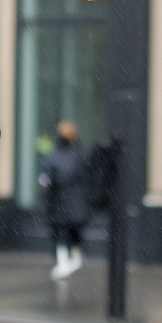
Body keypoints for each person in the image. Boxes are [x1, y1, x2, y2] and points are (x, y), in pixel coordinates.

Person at [38, 120, 90, 279]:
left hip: (64, 203)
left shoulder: (65, 155)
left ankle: (68, 262)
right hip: (67, 203)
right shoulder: (75, 155)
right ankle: (67, 262)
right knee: (65, 233)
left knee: (64, 233)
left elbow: (47, 176)